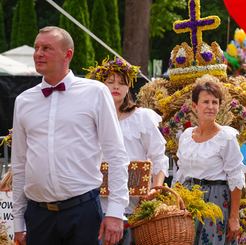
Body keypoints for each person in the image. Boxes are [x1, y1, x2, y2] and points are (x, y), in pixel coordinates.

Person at [11, 26, 129, 245]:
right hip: (38, 217)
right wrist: (18, 222)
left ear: (68, 55)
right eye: (37, 48)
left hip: (83, 212)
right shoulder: (24, 101)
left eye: (47, 48)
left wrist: (115, 210)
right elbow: (19, 164)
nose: (38, 53)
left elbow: (116, 154)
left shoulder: (95, 92)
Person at [85, 57, 169, 244]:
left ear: (129, 87)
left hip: (135, 205)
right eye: (110, 82)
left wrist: (155, 189)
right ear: (101, 85)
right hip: (95, 203)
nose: (116, 87)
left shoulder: (142, 118)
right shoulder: (89, 119)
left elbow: (158, 156)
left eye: (122, 83)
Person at [176, 74, 245, 245]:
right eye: (206, 102)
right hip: (188, 201)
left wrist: (234, 218)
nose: (210, 107)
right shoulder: (186, 136)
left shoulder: (226, 137)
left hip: (215, 202)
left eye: (215, 102)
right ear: (195, 106)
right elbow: (181, 173)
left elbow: (236, 178)